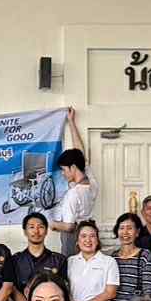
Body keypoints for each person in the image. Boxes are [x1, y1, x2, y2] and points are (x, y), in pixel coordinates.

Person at [47, 109, 93, 256]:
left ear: (73, 167)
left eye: (64, 169)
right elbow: (79, 152)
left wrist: (52, 225)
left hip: (73, 238)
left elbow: (69, 226)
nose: (62, 173)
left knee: (70, 267)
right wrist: (72, 123)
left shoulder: (73, 194)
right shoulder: (91, 181)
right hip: (88, 232)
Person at [3, 211, 66, 301]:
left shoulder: (59, 260)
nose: (36, 231)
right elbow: (12, 288)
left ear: (46, 231)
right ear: (25, 231)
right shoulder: (14, 260)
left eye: (40, 227)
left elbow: (63, 290)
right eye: (31, 227)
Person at [111, 213, 151, 301]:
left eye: (130, 228)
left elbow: (148, 286)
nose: (125, 232)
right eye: (122, 228)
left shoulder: (144, 254)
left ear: (137, 232)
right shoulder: (112, 257)